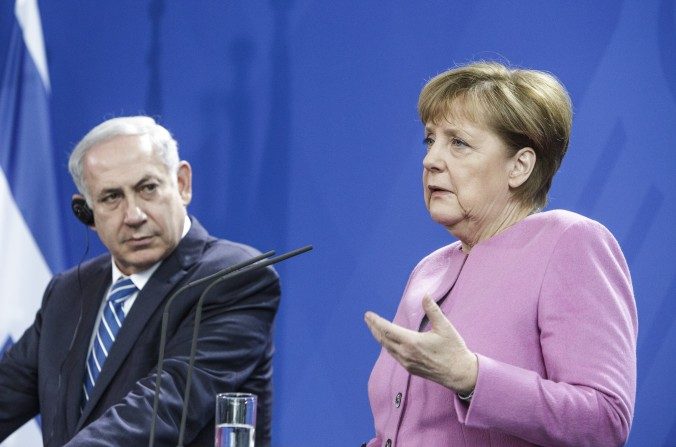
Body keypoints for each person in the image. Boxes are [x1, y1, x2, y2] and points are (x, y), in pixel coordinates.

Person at [363, 62, 637, 446]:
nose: (430, 160)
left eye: (458, 142)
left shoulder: (570, 242)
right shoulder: (429, 269)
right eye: (431, 140)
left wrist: (472, 377)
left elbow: (604, 421)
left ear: (520, 166)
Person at [0, 116, 280, 446]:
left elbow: (163, 408)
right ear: (86, 213)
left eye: (147, 188)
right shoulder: (67, 292)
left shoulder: (234, 277)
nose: (133, 215)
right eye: (111, 198)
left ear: (182, 183)